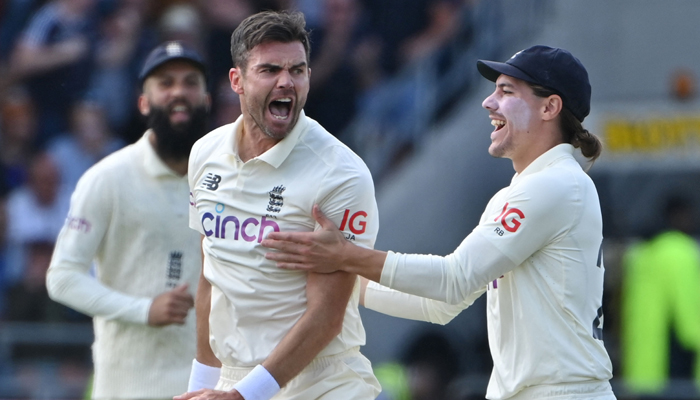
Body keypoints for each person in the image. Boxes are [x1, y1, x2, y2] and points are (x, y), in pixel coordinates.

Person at [263, 45, 617, 400]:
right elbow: (444, 304)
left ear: (550, 107)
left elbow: (453, 280)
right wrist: (341, 283)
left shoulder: (552, 184)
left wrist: (344, 256)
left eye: (506, 91)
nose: (488, 102)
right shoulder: (540, 185)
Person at [177, 10, 381, 400]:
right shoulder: (204, 153)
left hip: (322, 382)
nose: (286, 81)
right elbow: (210, 275)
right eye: (270, 69)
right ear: (236, 80)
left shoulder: (340, 174)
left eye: (298, 70)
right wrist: (202, 386)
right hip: (235, 380)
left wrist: (242, 396)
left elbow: (327, 316)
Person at [46, 41, 210, 399]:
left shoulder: (229, 179)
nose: (179, 91)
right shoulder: (107, 178)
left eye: (190, 82)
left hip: (209, 388)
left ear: (207, 98)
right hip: (126, 387)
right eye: (165, 83)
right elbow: (62, 277)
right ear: (143, 102)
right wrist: (144, 309)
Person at [621, 194, 700, 394]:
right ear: (681, 216)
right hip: (675, 370)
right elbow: (689, 323)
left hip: (643, 371)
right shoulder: (679, 250)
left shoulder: (642, 253)